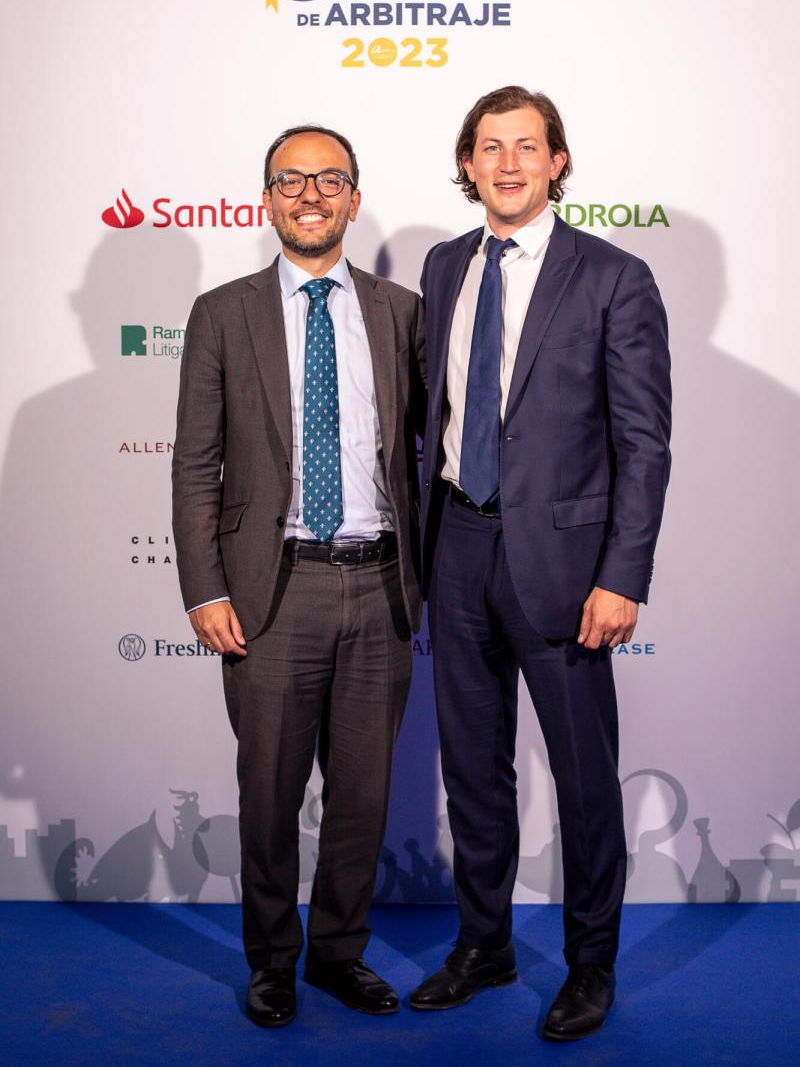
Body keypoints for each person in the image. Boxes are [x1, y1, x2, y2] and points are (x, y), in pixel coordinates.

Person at [410, 86, 671, 1040]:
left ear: (557, 162)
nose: (509, 164)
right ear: (468, 163)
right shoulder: (445, 266)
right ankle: (485, 945)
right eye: (491, 147)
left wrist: (623, 575)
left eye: (528, 146)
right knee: (473, 771)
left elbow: (643, 443)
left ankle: (591, 966)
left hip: (565, 568)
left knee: (584, 779)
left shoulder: (614, 276)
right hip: (457, 545)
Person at [172, 124, 426, 1027]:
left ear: (354, 198)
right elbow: (195, 464)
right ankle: (272, 962)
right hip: (270, 590)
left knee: (363, 797)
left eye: (329, 180)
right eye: (291, 180)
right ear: (266, 199)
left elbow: (438, 444)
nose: (310, 195)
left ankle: (339, 955)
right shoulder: (221, 312)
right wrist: (205, 588)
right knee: (270, 794)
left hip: (381, 581)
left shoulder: (402, 311)